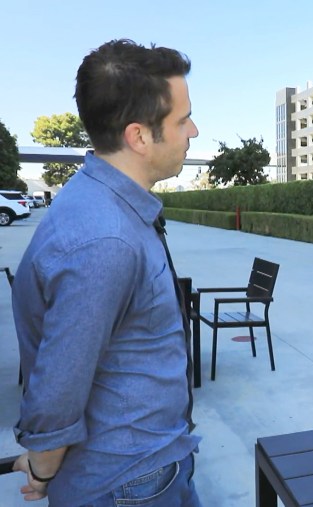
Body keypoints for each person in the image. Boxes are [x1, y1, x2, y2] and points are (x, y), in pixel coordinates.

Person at [11, 39, 201, 506]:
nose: (193, 130)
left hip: (145, 469)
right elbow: (59, 387)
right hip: (129, 484)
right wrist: (43, 465)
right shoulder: (105, 240)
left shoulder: (100, 205)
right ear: (139, 136)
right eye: (181, 120)